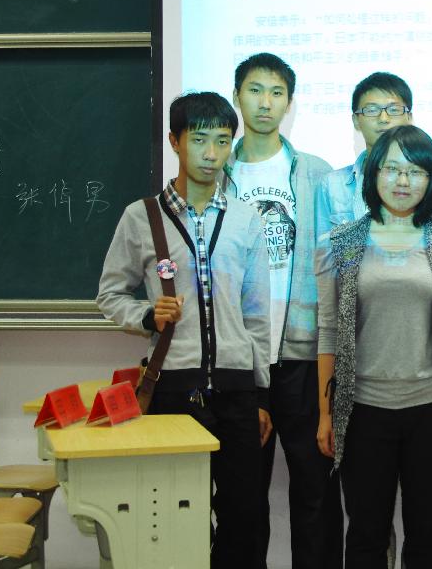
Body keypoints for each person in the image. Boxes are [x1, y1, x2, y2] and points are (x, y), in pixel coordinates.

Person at [315, 125, 432, 568]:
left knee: (428, 534)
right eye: (392, 169)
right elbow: (328, 333)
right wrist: (325, 416)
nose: (403, 181)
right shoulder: (339, 244)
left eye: (416, 171)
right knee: (365, 534)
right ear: (373, 174)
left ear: (431, 179)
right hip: (361, 412)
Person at [97, 91, 271, 569]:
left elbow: (256, 315)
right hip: (173, 389)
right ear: (175, 141)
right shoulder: (141, 217)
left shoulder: (245, 218)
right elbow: (110, 294)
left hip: (237, 390)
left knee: (245, 519)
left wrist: (261, 395)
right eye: (199, 140)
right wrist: (147, 315)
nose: (212, 153)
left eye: (223, 141)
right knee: (175, 518)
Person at [221, 53, 339, 569]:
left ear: (289, 103)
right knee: (242, 500)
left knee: (315, 493)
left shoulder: (316, 174)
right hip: (239, 361)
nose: (265, 102)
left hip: (302, 357)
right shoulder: (217, 172)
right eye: (254, 90)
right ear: (237, 96)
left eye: (276, 92)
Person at [314, 71, 432, 240]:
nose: (383, 118)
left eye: (394, 110)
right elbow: (324, 251)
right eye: (371, 110)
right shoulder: (332, 185)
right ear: (356, 121)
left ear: (409, 118)